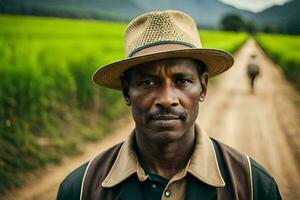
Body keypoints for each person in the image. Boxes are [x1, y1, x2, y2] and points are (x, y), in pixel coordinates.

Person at [57, 10, 281, 200]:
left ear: (203, 87)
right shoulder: (80, 190)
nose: (166, 99)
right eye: (148, 82)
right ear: (127, 91)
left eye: (181, 81)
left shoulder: (253, 187)